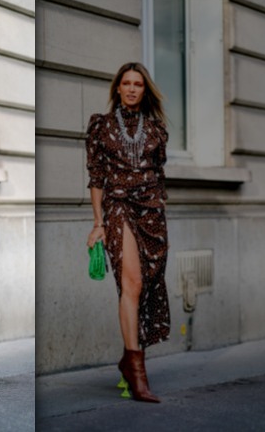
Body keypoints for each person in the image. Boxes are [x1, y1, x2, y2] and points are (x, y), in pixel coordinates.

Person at [85, 62, 170, 403]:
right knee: (131, 282)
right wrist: (98, 223)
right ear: (117, 88)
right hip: (117, 206)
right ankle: (138, 373)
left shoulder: (156, 129)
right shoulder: (101, 126)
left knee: (148, 284)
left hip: (151, 210)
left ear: (144, 90)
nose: (132, 89)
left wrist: (158, 205)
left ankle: (127, 359)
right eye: (127, 83)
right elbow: (96, 177)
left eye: (138, 84)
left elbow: (159, 172)